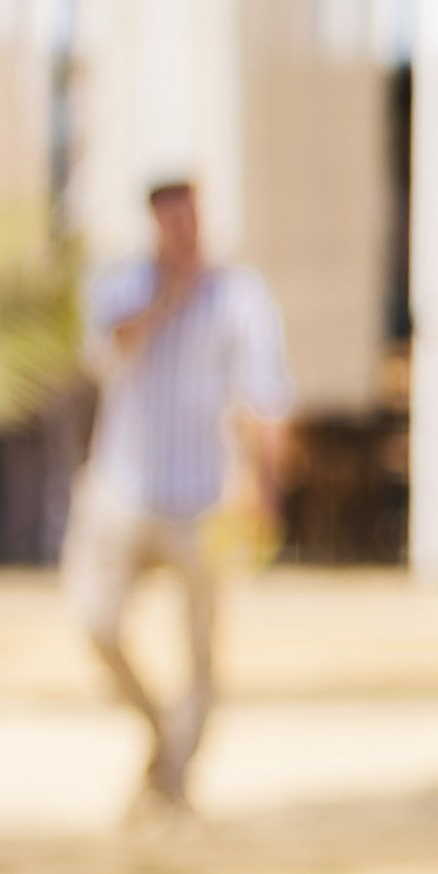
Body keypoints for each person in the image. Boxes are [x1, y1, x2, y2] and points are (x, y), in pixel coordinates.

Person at [66, 176, 290, 820]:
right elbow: (104, 351)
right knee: (95, 621)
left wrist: (264, 481)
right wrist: (168, 297)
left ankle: (172, 779)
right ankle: (160, 729)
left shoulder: (240, 295)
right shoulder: (122, 285)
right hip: (124, 489)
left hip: (201, 495)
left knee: (202, 651)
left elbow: (265, 393)